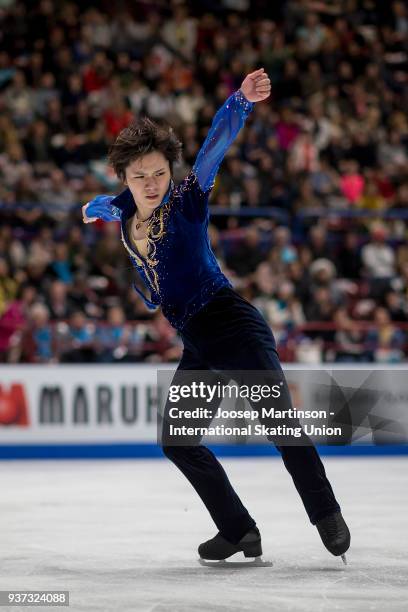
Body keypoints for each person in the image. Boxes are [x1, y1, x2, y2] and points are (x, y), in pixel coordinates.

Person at [82, 68, 350, 563]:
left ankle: (325, 512)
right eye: (139, 175)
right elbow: (110, 205)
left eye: (159, 172)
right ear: (124, 177)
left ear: (171, 172)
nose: (150, 183)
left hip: (232, 323)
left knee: (281, 425)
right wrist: (93, 207)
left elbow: (213, 148)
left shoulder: (187, 200)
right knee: (178, 441)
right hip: (198, 342)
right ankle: (239, 529)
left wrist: (240, 104)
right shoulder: (125, 208)